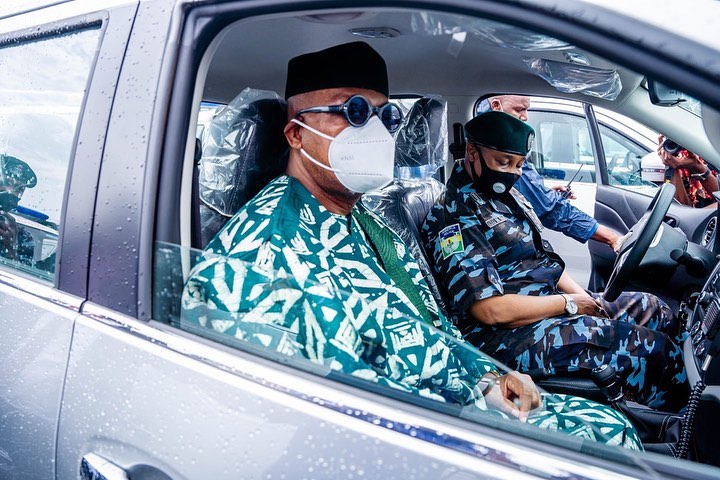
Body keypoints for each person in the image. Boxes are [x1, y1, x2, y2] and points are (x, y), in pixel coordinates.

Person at [182, 42, 642, 448]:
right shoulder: (263, 251)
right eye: (355, 111)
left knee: (610, 424)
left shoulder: (362, 217)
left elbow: (423, 324)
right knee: (609, 437)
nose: (376, 133)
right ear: (296, 134)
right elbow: (344, 401)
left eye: (386, 115)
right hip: (419, 429)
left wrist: (486, 373)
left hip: (464, 385)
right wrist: (475, 398)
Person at [422, 111, 688, 412]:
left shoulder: (505, 194)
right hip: (507, 339)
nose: (512, 173)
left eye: (520, 164)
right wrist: (570, 305)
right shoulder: (455, 216)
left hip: (547, 310)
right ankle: (680, 428)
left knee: (654, 309)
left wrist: (586, 300)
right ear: (473, 152)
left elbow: (544, 261)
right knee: (654, 352)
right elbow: (490, 310)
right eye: (503, 162)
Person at [478, 95, 623, 250]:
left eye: (526, 110)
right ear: (495, 105)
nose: (525, 117)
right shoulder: (501, 149)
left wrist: (539, 193)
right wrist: (613, 238)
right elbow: (551, 209)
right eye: (519, 109)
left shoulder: (491, 141)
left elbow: (525, 192)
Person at [656, 134, 718, 207]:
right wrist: (671, 164)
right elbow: (681, 208)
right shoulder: (679, 158)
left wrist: (699, 167)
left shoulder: (714, 152)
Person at [0, 154, 37, 264]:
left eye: (20, 189)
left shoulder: (23, 238)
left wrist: (10, 249)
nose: (12, 192)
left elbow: (24, 274)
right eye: (7, 183)